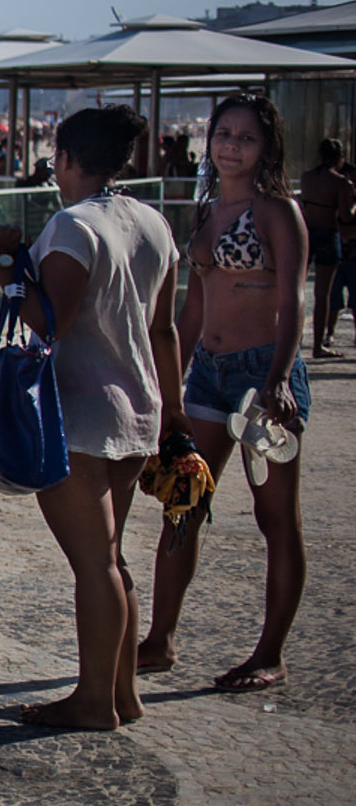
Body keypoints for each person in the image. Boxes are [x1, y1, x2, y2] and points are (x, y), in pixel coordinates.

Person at [0, 104, 179, 731]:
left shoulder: (74, 226)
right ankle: (121, 694)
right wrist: (172, 414)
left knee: (94, 564)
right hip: (137, 407)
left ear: (67, 159)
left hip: (79, 413)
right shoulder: (152, 223)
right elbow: (165, 329)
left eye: (55, 158)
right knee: (112, 557)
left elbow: (51, 321)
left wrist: (5, 266)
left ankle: (95, 700)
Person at [137, 94, 310, 692]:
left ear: (266, 149)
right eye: (224, 134)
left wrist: (279, 379)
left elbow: (292, 303)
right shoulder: (207, 211)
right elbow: (191, 308)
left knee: (274, 518)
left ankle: (271, 653)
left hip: (261, 380)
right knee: (183, 502)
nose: (231, 145)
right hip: (207, 373)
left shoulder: (277, 212)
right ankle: (159, 641)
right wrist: (168, 382)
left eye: (247, 137)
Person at [297, 138, 354, 357]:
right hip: (329, 234)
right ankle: (318, 345)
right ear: (339, 158)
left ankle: (296, 340)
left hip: (308, 233)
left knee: (298, 290)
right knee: (323, 295)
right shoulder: (340, 183)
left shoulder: (307, 178)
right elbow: (345, 216)